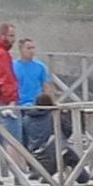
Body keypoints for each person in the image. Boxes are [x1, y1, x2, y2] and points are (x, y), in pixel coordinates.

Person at [9, 40, 55, 169]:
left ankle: (38, 164)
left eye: (33, 47)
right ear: (21, 50)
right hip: (20, 105)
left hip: (37, 106)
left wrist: (49, 103)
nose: (31, 50)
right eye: (28, 48)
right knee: (21, 136)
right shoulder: (13, 66)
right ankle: (22, 165)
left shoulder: (40, 66)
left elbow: (46, 85)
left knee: (38, 137)